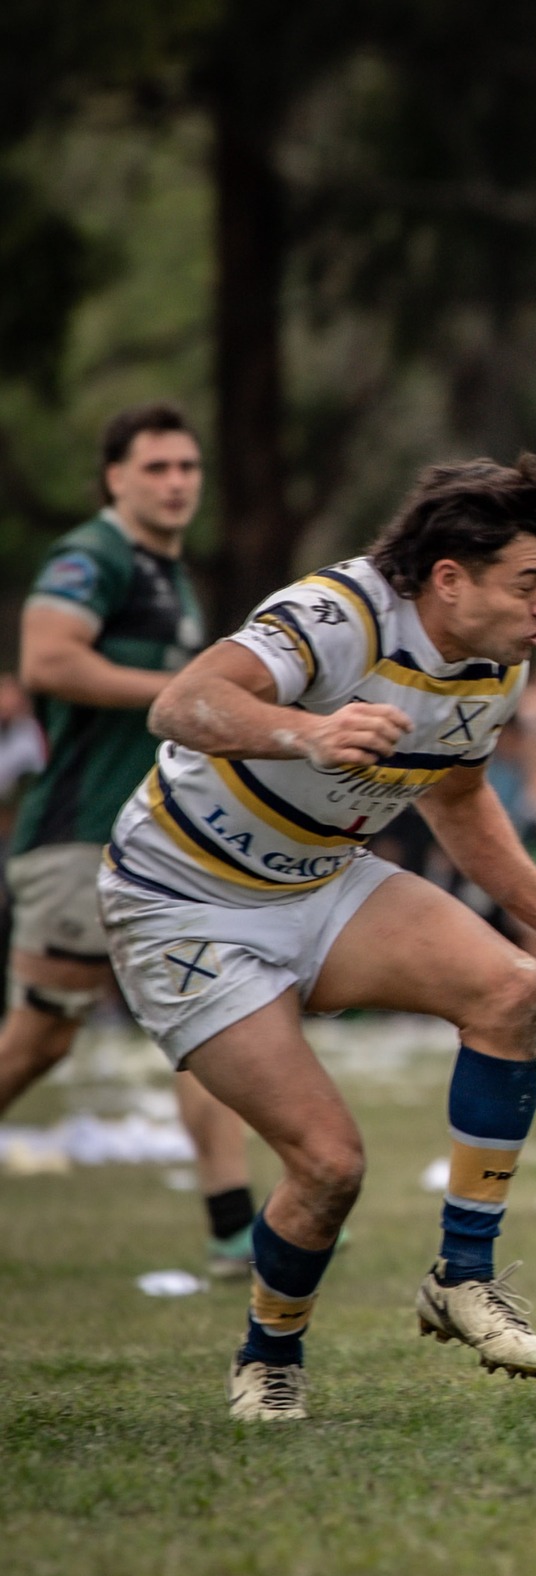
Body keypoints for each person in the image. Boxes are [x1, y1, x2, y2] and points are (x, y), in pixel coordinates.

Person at [98, 454, 536, 1421]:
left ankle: (462, 1276)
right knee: (330, 1163)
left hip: (316, 878)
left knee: (512, 990)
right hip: (183, 898)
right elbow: (178, 704)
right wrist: (305, 731)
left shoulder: (496, 660)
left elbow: (459, 798)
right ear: (449, 578)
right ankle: (270, 1355)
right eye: (531, 580)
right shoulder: (338, 614)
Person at [0, 403, 252, 1278]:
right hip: (75, 836)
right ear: (115, 476)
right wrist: (179, 688)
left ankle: (234, 1229)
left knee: (213, 1017)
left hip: (154, 845)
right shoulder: (93, 556)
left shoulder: (171, 577)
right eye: (156, 467)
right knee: (39, 1039)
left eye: (188, 467)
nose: (177, 481)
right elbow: (47, 661)